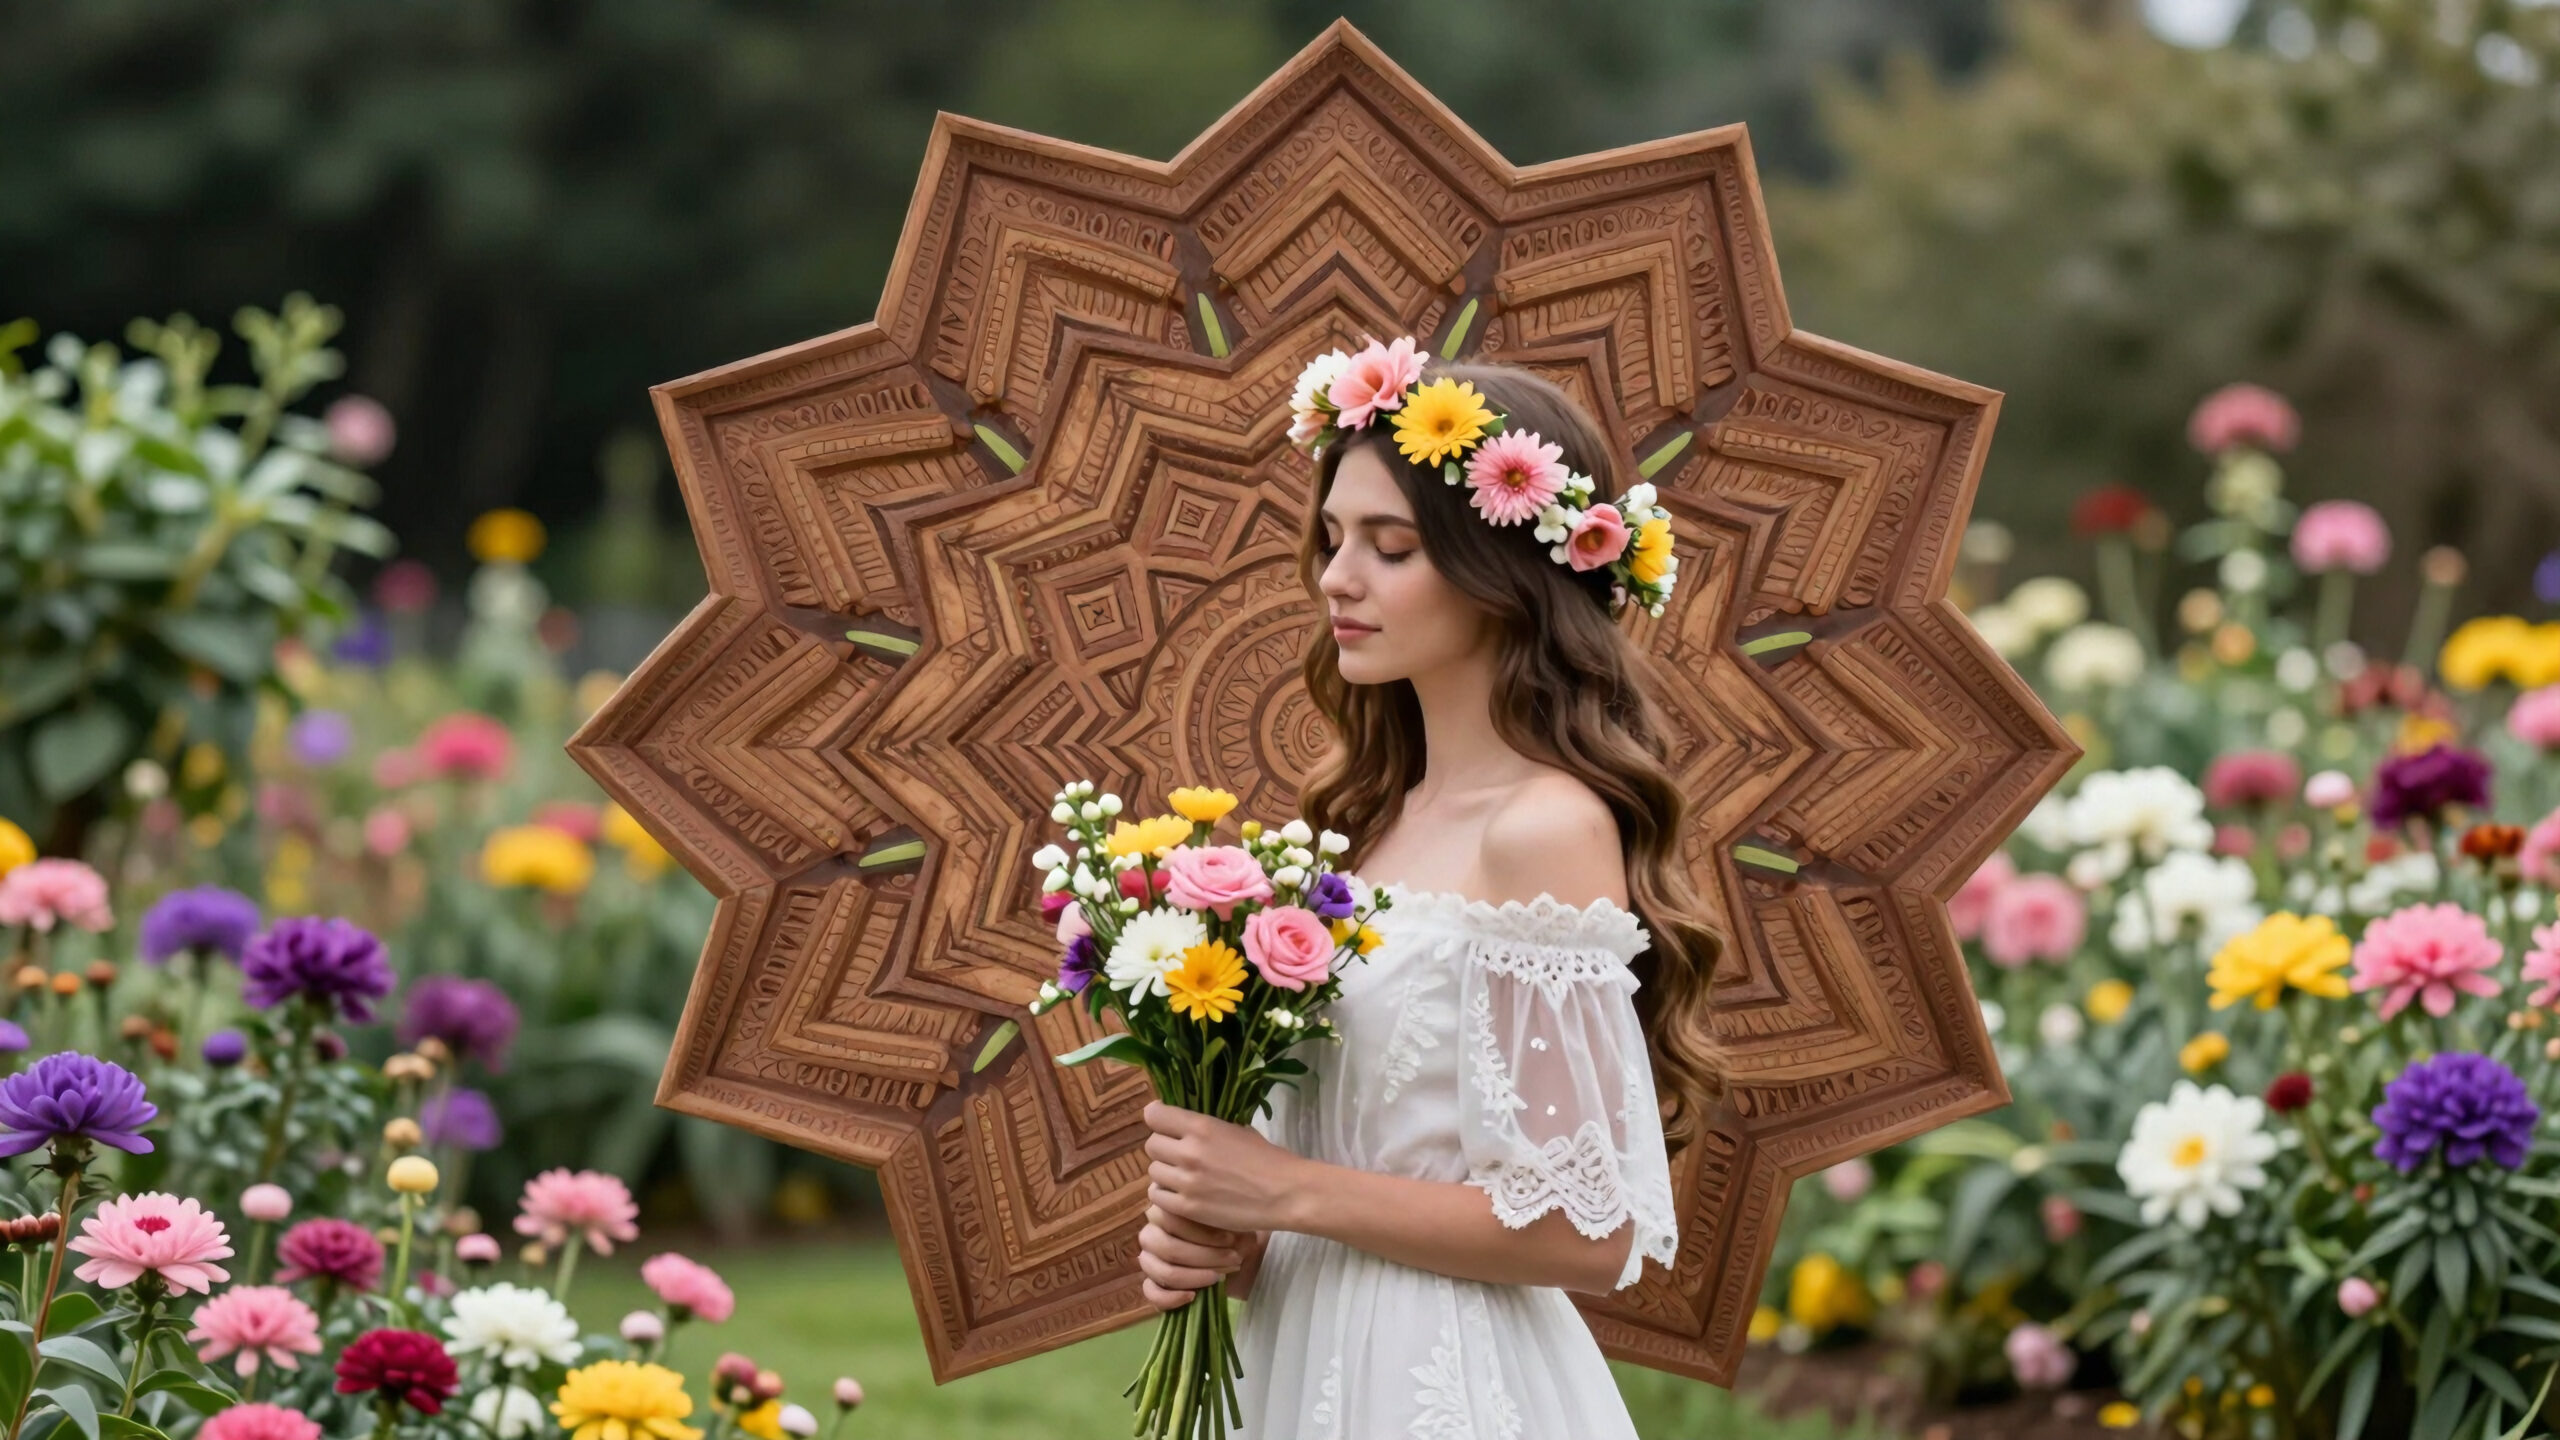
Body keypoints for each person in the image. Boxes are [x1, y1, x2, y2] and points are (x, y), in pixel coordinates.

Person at [1132, 338, 1729, 1437]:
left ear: (1504, 576)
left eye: (1389, 545)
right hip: (1300, 1361)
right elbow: (1360, 1161)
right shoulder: (1360, 830)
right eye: (1330, 539)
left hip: (1446, 1384)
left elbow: (1581, 1235)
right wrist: (1234, 1238)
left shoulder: (1543, 831)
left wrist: (1284, 1191)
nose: (1335, 578)